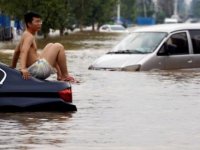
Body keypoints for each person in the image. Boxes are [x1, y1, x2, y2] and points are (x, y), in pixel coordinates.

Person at [11, 11, 76, 82]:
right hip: (37, 70)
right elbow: (23, 51)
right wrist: (22, 68)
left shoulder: (25, 34)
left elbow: (16, 52)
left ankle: (60, 75)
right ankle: (65, 76)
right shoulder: (29, 36)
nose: (40, 24)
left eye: (40, 21)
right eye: (37, 22)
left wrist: (13, 67)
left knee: (50, 45)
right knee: (58, 46)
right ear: (29, 24)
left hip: (34, 69)